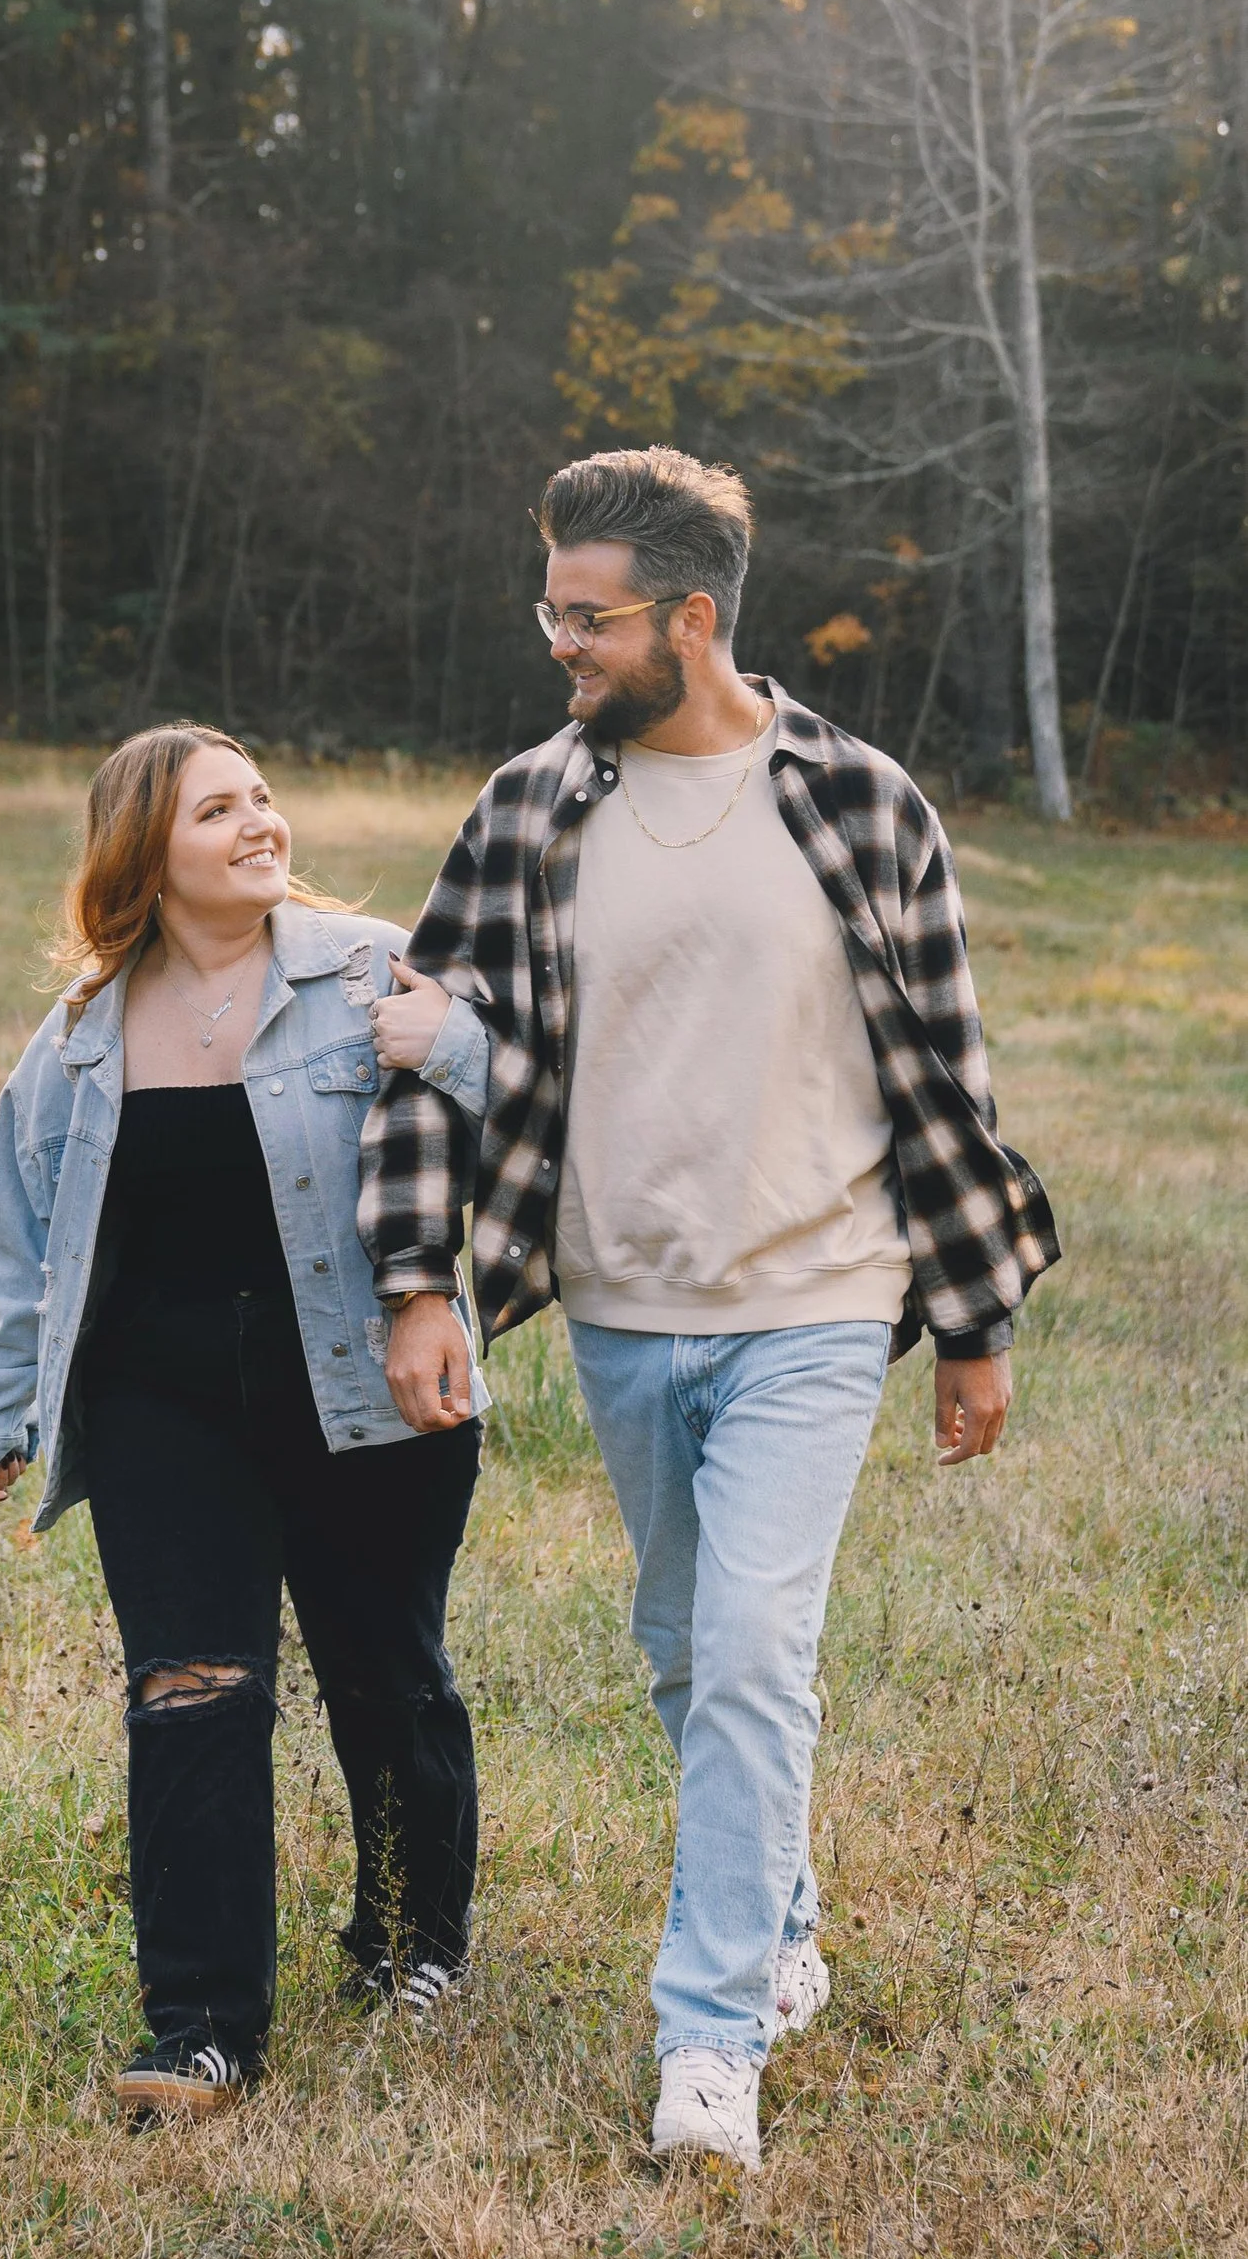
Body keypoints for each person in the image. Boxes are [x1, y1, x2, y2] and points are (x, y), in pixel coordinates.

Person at [359, 448, 1060, 2172]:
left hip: (819, 1296)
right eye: (551, 612)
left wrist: (973, 1322)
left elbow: (945, 1087)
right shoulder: (531, 806)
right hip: (617, 1298)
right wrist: (415, 1278)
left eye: (586, 618)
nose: (560, 645)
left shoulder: (863, 802)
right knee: (685, 1652)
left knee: (754, 1652)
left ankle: (709, 2042)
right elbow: (423, 1054)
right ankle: (788, 1913)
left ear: (691, 616)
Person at [0, 721, 497, 2118]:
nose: (260, 824)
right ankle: (200, 2027)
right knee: (189, 1690)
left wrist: (458, 1048)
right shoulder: (78, 1038)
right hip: (161, 1404)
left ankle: (407, 1945)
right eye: (218, 812)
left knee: (386, 1674)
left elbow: (517, 1115)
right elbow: (30, 1239)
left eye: (264, 800)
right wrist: (2, 1405)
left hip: (365, 1387)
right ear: (147, 852)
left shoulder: (371, 969)